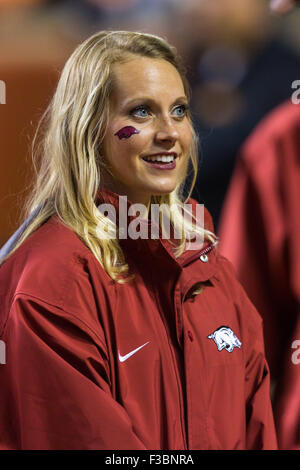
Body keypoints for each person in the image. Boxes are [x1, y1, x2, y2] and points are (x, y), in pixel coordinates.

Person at [0, 30, 277, 450]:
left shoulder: (210, 272)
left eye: (179, 110)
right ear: (88, 127)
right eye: (142, 112)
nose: (170, 132)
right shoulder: (51, 284)